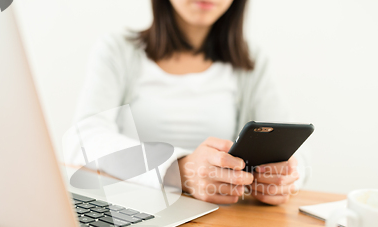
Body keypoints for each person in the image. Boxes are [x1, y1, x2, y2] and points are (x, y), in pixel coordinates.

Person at [69, 0, 304, 205]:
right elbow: (84, 140)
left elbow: (296, 152)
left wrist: (286, 176)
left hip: (220, 220)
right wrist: (179, 170)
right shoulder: (118, 51)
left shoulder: (251, 62)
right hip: (135, 207)